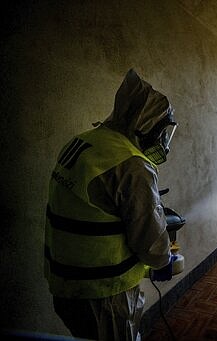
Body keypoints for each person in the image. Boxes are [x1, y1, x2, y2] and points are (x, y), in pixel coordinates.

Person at [44, 69, 176, 340]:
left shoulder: (83, 142)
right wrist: (164, 258)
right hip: (104, 293)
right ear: (145, 123)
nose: (161, 138)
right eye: (161, 128)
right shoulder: (132, 164)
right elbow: (151, 245)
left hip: (65, 283)